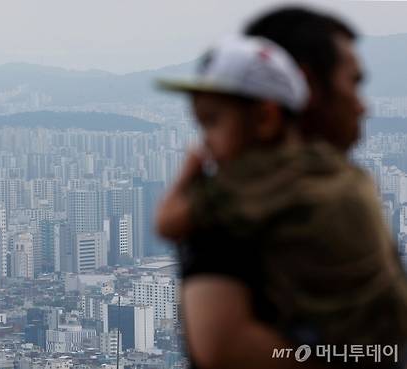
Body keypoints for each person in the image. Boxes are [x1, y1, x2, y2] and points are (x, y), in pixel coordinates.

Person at [156, 7, 407, 369]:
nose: (361, 105)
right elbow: (224, 347)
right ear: (306, 85)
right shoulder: (244, 201)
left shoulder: (330, 184)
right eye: (353, 82)